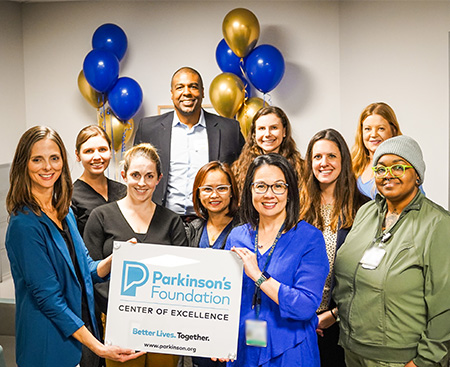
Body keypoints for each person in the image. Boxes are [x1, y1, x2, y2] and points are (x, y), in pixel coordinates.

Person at [5, 126, 144, 367]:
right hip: (48, 347)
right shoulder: (24, 225)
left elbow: (86, 270)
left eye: (54, 158)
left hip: (79, 339)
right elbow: (49, 299)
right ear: (23, 165)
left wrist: (116, 258)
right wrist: (100, 348)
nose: (48, 167)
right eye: (37, 159)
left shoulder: (64, 212)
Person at [334, 135, 450, 367]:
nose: (388, 174)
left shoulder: (438, 224)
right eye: (381, 168)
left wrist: (424, 361)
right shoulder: (365, 212)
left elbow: (445, 304)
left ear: (417, 175)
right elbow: (353, 279)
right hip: (352, 349)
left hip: (400, 359)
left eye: (399, 167)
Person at [83, 143, 188, 367]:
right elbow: (88, 272)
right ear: (124, 175)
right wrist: (114, 261)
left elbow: (185, 277)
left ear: (159, 178)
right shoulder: (101, 217)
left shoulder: (172, 221)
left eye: (149, 176)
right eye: (135, 175)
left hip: (164, 325)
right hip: (119, 322)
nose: (142, 183)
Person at [223, 154, 329, 367]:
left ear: (289, 191)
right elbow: (224, 298)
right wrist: (219, 339)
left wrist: (259, 276)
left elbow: (305, 305)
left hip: (291, 350)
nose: (269, 194)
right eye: (261, 186)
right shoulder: (237, 236)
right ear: (250, 190)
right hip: (244, 350)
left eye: (278, 186)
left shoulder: (310, 239)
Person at [134, 67, 245, 220]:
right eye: (180, 87)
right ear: (172, 94)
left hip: (212, 222)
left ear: (203, 92)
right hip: (161, 220)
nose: (187, 92)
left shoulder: (229, 129)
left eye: (193, 86)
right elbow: (134, 175)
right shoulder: (148, 128)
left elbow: (244, 174)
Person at [299, 129, 369, 367]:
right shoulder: (295, 208)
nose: (324, 163)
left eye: (331, 156)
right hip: (300, 321)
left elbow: (369, 274)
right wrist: (306, 316)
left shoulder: (364, 210)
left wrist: (333, 315)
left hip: (342, 324)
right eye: (317, 157)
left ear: (343, 161)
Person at [187, 161, 240, 367]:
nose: (214, 195)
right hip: (199, 328)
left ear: (232, 192)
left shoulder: (246, 229)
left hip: (233, 328)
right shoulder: (192, 229)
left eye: (221, 188)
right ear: (198, 193)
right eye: (207, 189)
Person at [232, 106, 304, 194]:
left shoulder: (301, 168)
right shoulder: (238, 170)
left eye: (274, 128)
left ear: (284, 131)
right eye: (261, 128)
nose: (267, 134)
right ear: (254, 134)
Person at [72, 125, 127, 237]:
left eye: (102, 150)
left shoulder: (123, 191)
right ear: (78, 155)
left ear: (110, 152)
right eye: (89, 151)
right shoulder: (71, 196)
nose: (97, 157)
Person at [351, 102, 401, 199]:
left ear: (393, 131)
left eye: (381, 128)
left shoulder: (402, 167)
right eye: (367, 129)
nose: (373, 134)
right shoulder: (353, 166)